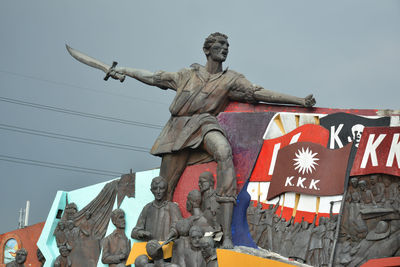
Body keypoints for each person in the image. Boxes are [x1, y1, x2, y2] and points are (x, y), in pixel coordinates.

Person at [110, 32, 316, 248]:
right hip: (177, 130)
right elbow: (154, 77)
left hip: (205, 125)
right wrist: (123, 70)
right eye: (220, 45)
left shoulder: (231, 79)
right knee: (166, 188)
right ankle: (160, 245)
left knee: (224, 152)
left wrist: (299, 101)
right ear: (207, 50)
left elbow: (257, 92)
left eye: (227, 45)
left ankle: (227, 235)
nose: (225, 48)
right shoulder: (186, 75)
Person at [131, 176, 182, 241]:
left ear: (166, 190)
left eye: (161, 188)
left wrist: (172, 233)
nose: (158, 191)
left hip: (167, 247)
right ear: (151, 190)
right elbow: (134, 232)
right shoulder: (147, 208)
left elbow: (180, 226)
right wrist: (141, 233)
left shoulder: (172, 207)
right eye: (155, 188)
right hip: (150, 248)